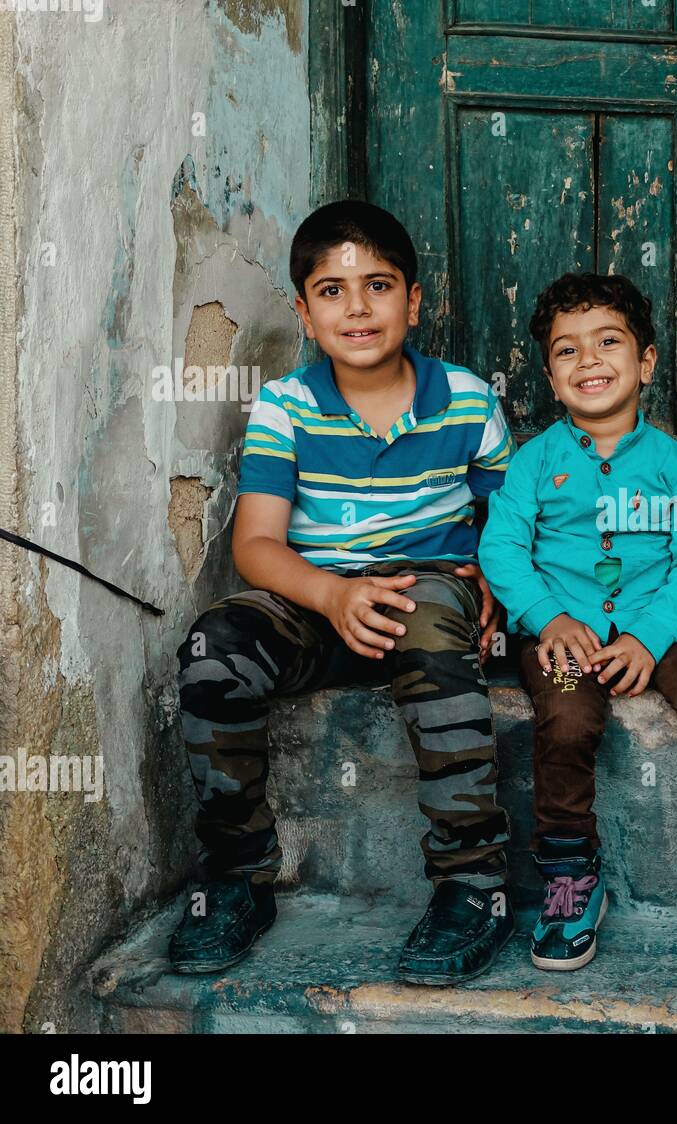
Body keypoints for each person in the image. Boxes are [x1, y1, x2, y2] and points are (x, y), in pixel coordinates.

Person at [169, 201, 515, 985]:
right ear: (303, 310)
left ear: (414, 300)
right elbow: (256, 545)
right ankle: (236, 877)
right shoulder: (285, 408)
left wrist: (496, 573)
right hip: (319, 603)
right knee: (213, 646)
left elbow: (509, 515)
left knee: (426, 610)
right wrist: (329, 597)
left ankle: (473, 883)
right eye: (331, 291)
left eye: (379, 285)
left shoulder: (466, 398)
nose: (357, 308)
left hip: (430, 593)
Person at [479, 272, 677, 970]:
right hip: (560, 630)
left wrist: (649, 636)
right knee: (567, 715)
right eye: (567, 351)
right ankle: (570, 872)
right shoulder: (535, 463)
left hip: (662, 623)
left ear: (644, 362)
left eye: (607, 342)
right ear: (552, 379)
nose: (588, 361)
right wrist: (547, 618)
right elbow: (501, 546)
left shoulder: (675, 467)